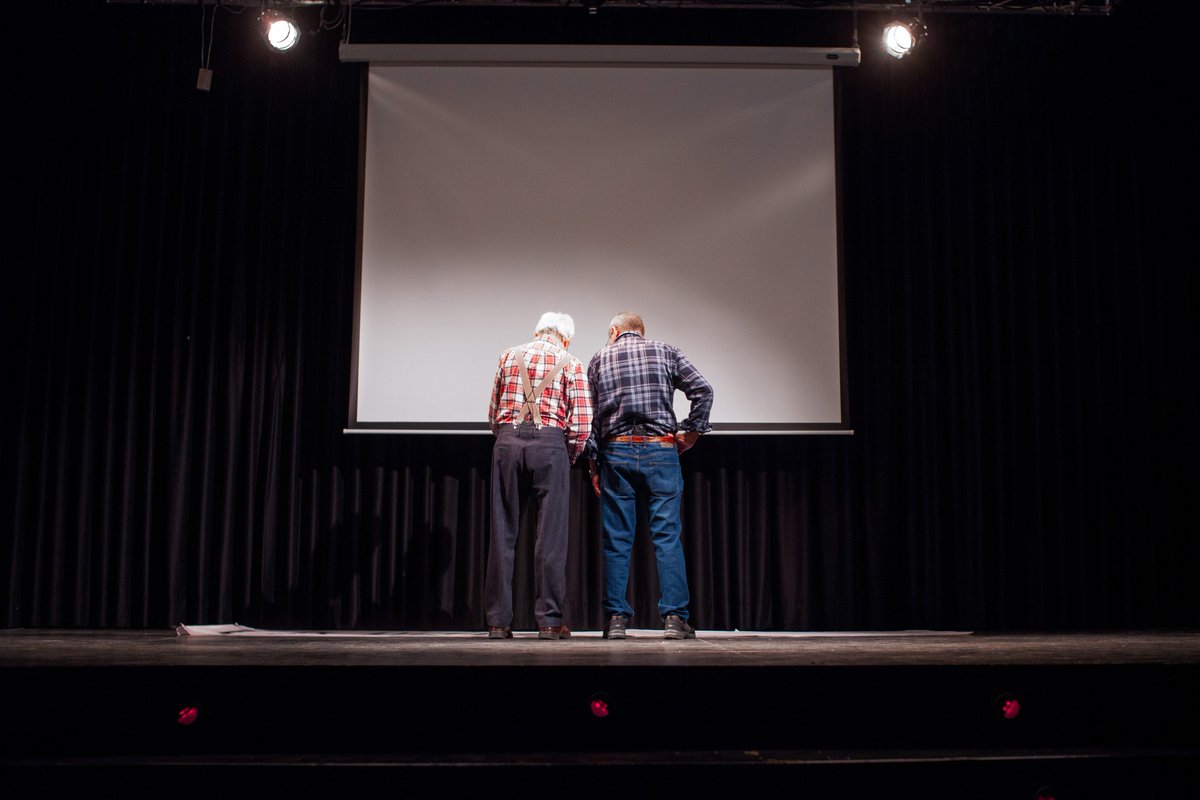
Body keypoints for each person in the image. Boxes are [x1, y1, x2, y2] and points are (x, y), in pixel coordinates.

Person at [586, 312, 713, 640]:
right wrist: (691, 434)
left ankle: (616, 620)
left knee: (617, 540)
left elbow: (590, 418)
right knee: (667, 536)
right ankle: (673, 618)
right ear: (641, 332)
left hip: (617, 452)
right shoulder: (666, 351)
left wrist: (593, 464)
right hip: (660, 450)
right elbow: (703, 391)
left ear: (614, 331)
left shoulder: (600, 358)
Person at [485, 312, 593, 640]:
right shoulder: (571, 362)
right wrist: (568, 455)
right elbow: (582, 424)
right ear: (567, 339)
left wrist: (507, 439)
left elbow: (492, 412)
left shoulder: (508, 355)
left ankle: (498, 623)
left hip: (508, 440)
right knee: (551, 537)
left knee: (502, 532)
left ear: (536, 331)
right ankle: (549, 622)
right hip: (550, 444)